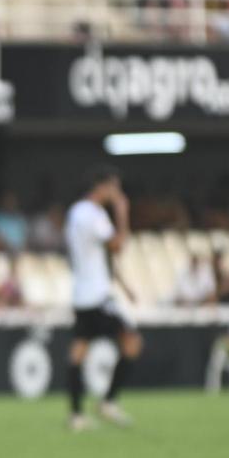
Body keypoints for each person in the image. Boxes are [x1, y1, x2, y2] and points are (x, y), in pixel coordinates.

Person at [64, 165, 142, 432]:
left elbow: (97, 255)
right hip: (98, 296)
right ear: (103, 187)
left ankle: (76, 415)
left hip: (81, 294)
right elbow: (117, 246)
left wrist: (123, 284)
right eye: (115, 188)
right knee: (131, 342)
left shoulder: (75, 212)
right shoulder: (95, 215)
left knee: (78, 351)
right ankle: (108, 401)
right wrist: (122, 214)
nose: (117, 193)